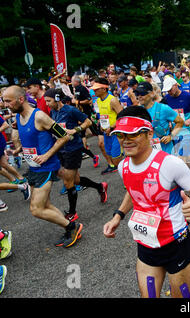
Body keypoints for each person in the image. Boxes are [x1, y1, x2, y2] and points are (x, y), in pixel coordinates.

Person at [103, 106, 190, 298]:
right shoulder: (123, 166)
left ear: (149, 133)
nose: (126, 141)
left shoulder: (170, 164)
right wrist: (118, 216)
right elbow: (134, 191)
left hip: (175, 244)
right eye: (120, 135)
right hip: (146, 245)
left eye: (133, 134)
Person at [2, 85, 83, 248]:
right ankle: (69, 227)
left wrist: (47, 155)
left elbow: (64, 136)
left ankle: (72, 227)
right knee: (45, 205)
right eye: (4, 101)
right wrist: (19, 150)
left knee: (36, 209)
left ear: (21, 99)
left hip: (46, 167)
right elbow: (31, 140)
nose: (5, 105)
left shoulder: (39, 116)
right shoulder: (19, 116)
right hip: (34, 168)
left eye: (8, 101)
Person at [46, 88, 108, 222]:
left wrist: (74, 130)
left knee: (68, 182)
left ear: (57, 99)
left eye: (49, 101)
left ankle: (72, 212)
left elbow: (88, 122)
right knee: (76, 180)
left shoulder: (70, 110)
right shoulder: (52, 112)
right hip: (61, 149)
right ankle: (100, 187)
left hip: (73, 149)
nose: (47, 104)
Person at [135, 81, 184, 155]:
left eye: (142, 93)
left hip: (165, 152)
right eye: (137, 94)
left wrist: (171, 136)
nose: (139, 96)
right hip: (147, 153)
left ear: (151, 94)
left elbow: (180, 122)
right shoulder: (137, 111)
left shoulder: (163, 108)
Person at [162, 77, 190, 160]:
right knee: (177, 156)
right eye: (167, 91)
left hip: (187, 131)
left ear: (176, 85)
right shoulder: (166, 98)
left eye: (170, 89)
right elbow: (164, 112)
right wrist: (168, 121)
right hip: (174, 131)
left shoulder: (188, 96)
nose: (169, 92)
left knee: (183, 157)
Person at [92, 78, 124, 174]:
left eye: (97, 89)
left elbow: (122, 116)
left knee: (117, 159)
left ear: (104, 89)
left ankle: (128, 181)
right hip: (106, 133)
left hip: (116, 132)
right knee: (112, 158)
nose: (94, 91)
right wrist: (100, 123)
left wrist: (112, 127)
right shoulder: (98, 101)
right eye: (94, 89)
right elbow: (101, 115)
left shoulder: (112, 100)